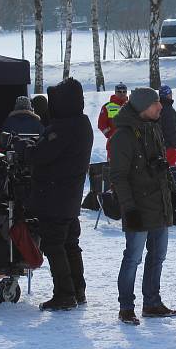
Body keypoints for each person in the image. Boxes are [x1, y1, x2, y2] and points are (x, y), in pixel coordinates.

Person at [110, 87, 176, 325]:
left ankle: (152, 303)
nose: (161, 107)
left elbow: (162, 165)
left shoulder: (154, 128)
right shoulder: (122, 136)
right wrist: (129, 209)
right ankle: (126, 307)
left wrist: (172, 190)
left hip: (159, 203)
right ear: (142, 107)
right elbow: (118, 176)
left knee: (157, 256)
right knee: (133, 258)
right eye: (155, 104)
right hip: (138, 207)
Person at [27, 78, 93, 311]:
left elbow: (41, 155)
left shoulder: (64, 128)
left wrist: (28, 149)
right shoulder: (81, 124)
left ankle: (64, 293)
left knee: (55, 245)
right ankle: (77, 290)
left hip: (54, 195)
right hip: (70, 196)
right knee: (70, 244)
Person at [98, 83, 128, 158]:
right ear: (115, 92)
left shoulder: (131, 106)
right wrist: (110, 134)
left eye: (124, 91)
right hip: (113, 144)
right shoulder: (108, 106)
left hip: (129, 143)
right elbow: (101, 124)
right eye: (119, 91)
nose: (122, 93)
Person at [158, 84, 176, 166]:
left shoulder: (162, 106)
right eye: (170, 94)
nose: (171, 95)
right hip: (170, 146)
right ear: (167, 95)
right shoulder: (166, 109)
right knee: (172, 168)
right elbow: (170, 130)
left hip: (166, 145)